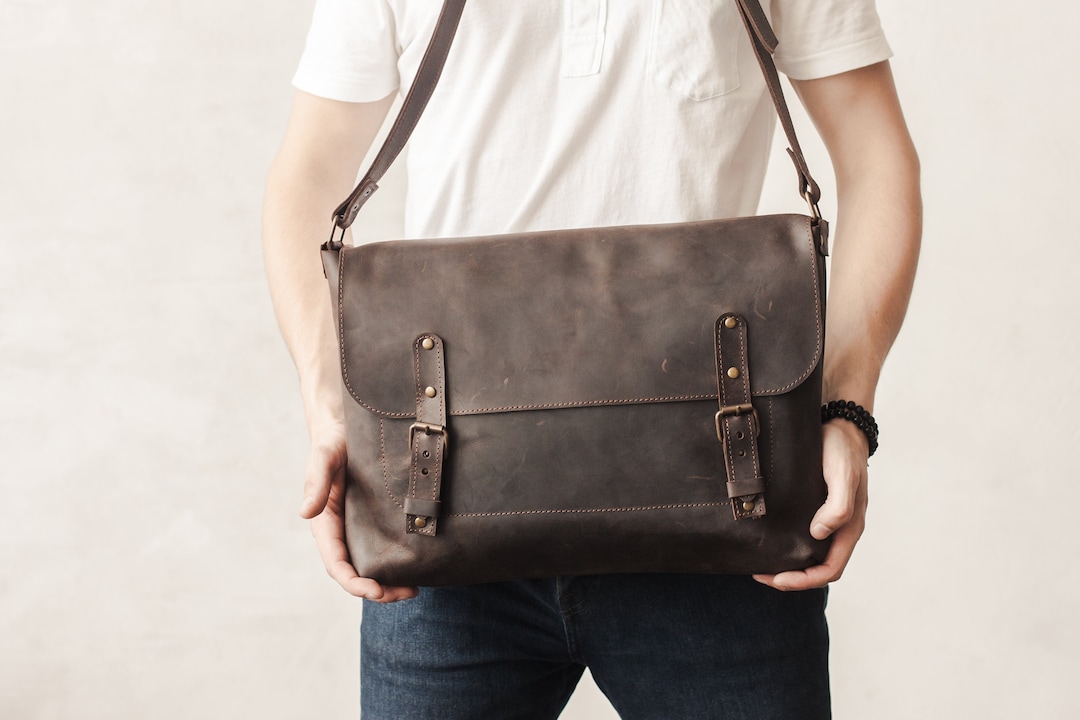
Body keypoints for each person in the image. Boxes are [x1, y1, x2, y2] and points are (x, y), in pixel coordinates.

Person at [262, 1, 921, 717]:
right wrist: (332, 410)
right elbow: (311, 170)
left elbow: (876, 156)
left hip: (727, 508)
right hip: (442, 514)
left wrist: (848, 411)